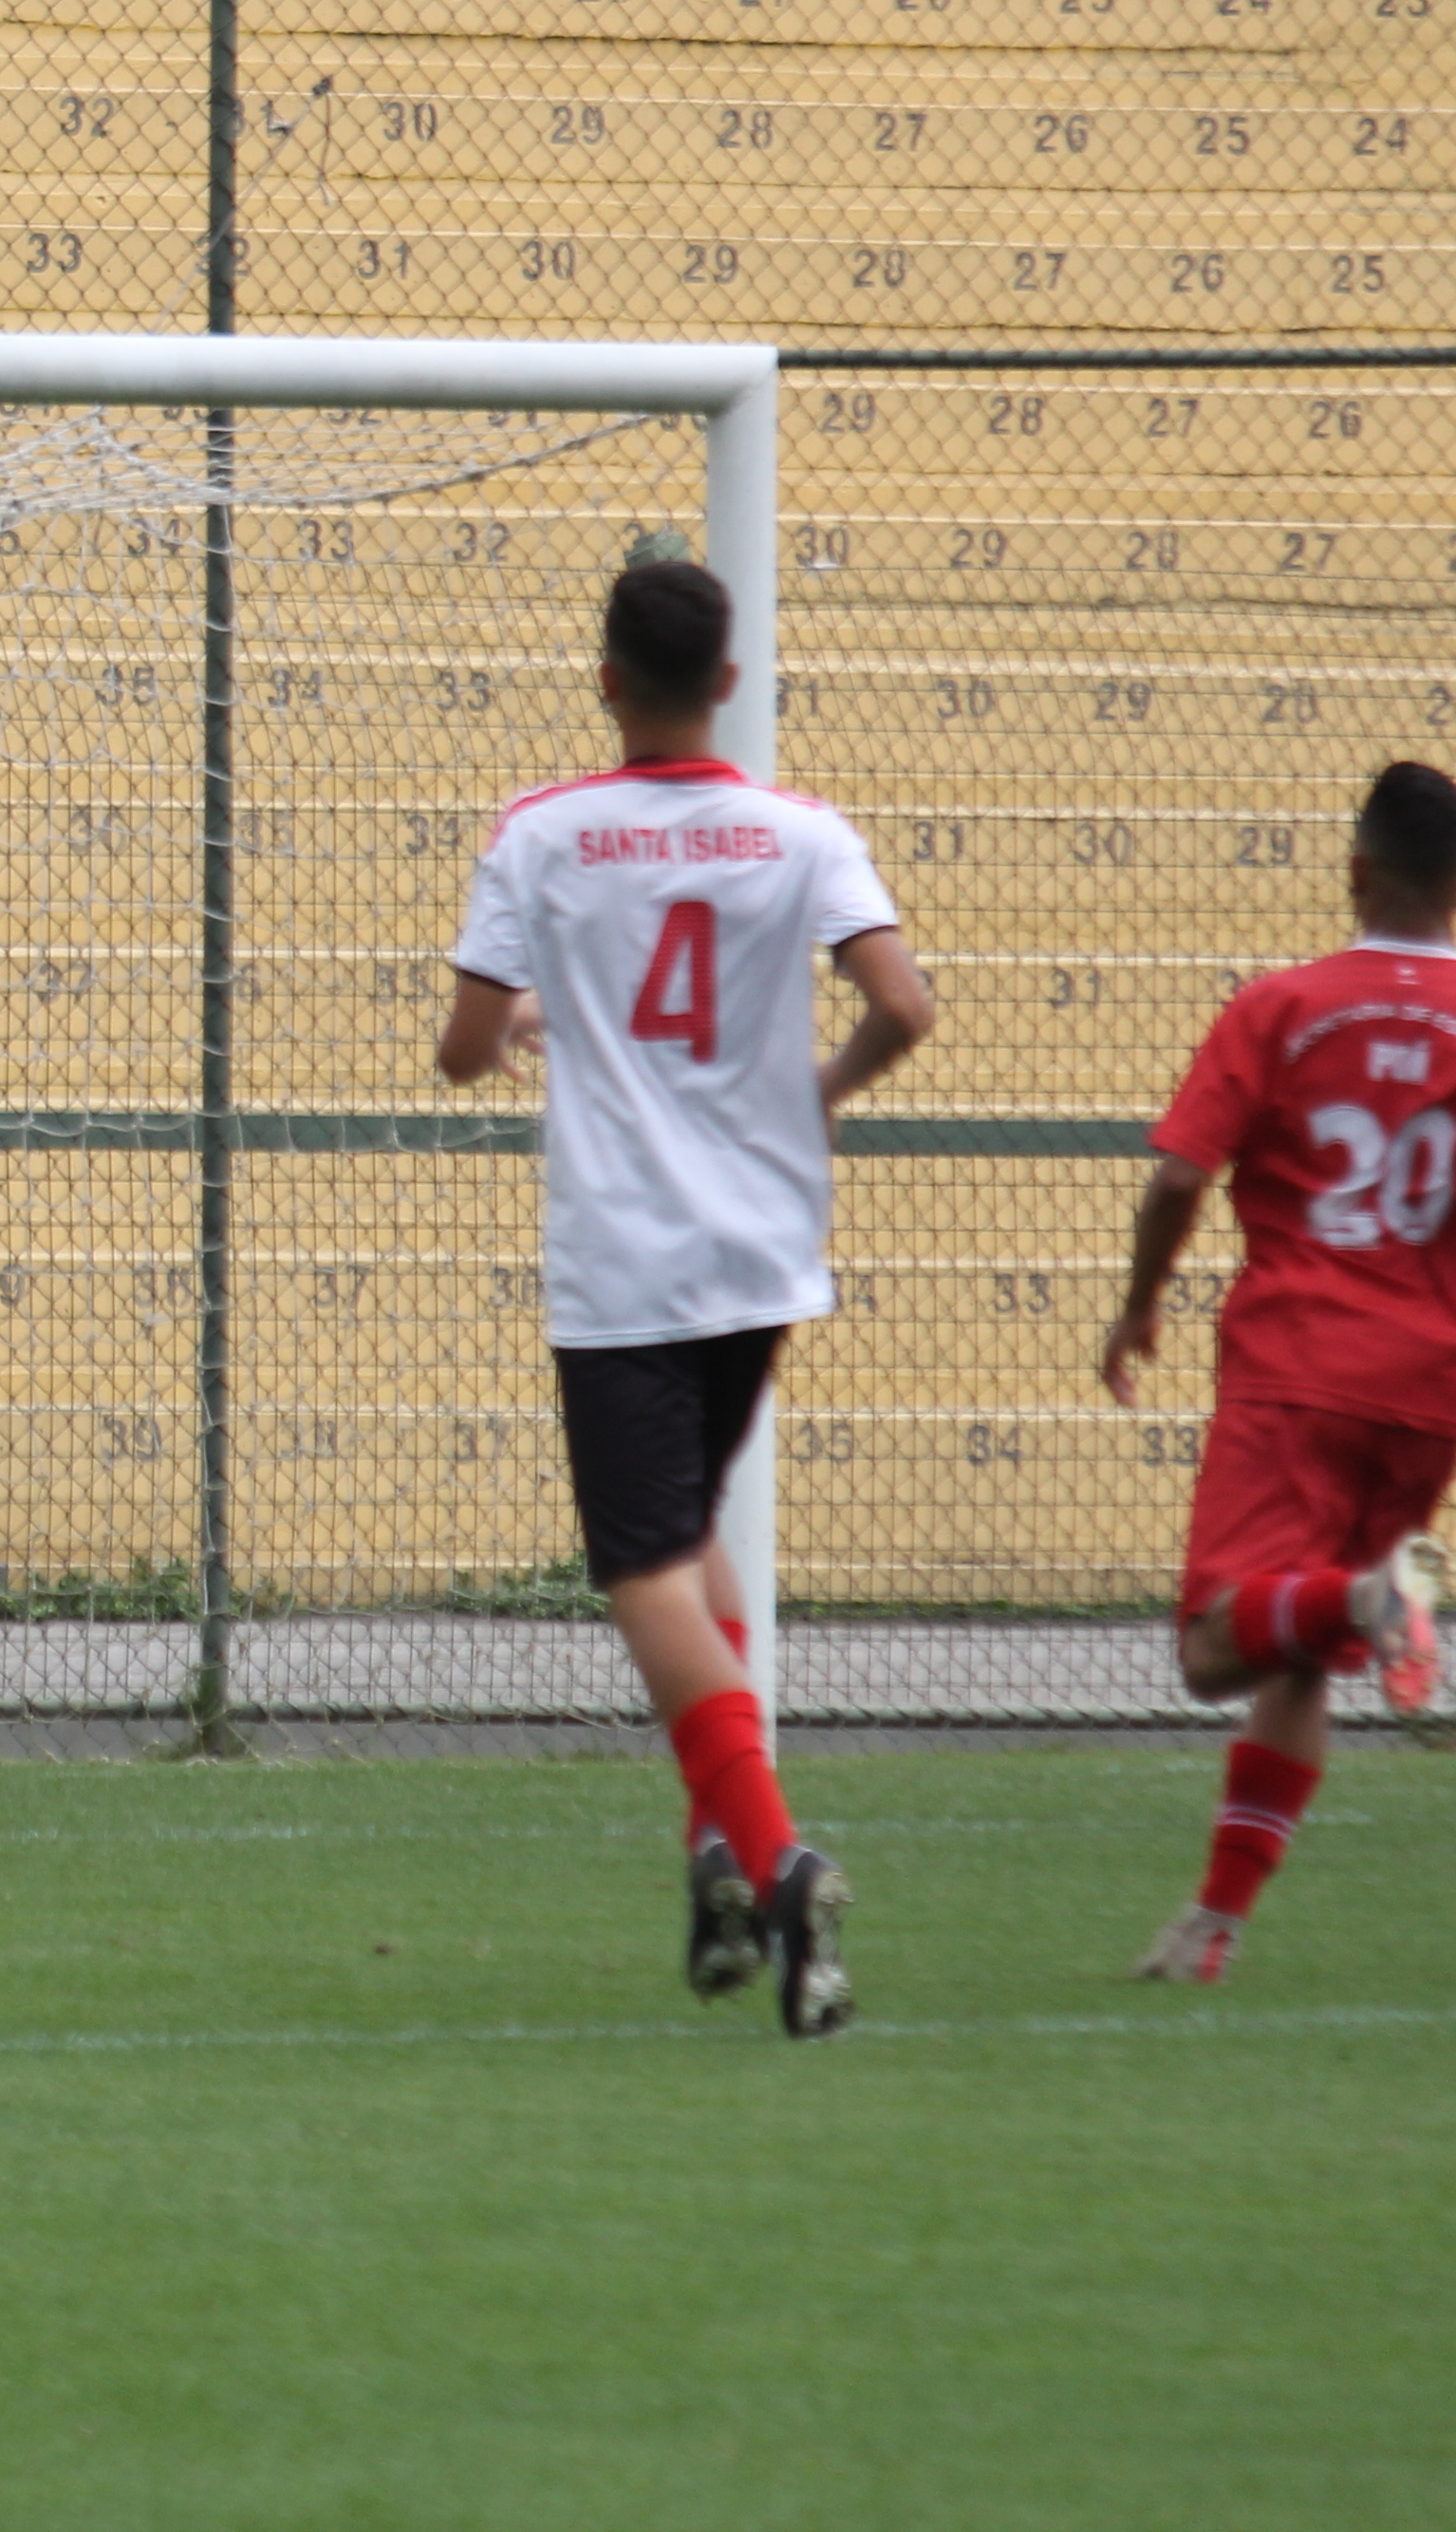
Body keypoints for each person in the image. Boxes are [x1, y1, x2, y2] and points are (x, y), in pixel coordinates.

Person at [436, 558, 934, 2039]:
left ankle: (778, 1861)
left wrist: (528, 1014)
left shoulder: (541, 833)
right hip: (764, 1253)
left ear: (605, 680)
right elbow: (904, 1006)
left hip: (630, 1261)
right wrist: (818, 1089)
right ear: (730, 680)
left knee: (646, 1574)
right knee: (697, 1539)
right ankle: (715, 1851)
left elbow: (466, 1050)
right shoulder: (805, 834)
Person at [1097, 760, 1456, 1986]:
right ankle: (1213, 1927)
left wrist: (1138, 1305)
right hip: (1440, 1387)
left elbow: (1179, 1175)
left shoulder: (1279, 1009)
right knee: (1299, 1654)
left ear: (1352, 873)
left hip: (1297, 1365)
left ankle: (1379, 1598)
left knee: (1215, 1654)